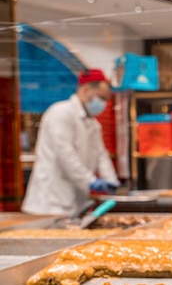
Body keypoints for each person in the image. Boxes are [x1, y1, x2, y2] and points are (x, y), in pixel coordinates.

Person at [22, 69, 120, 216]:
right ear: (86, 89)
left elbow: (101, 155)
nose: (103, 104)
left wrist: (111, 182)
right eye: (101, 98)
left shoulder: (93, 124)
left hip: (75, 203)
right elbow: (66, 155)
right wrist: (91, 181)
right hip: (49, 203)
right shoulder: (60, 113)